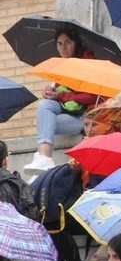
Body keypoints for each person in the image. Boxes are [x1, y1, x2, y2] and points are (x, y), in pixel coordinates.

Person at [26, 25, 99, 173]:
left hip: (84, 118)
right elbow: (59, 95)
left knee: (47, 123)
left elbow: (91, 96)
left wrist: (60, 95)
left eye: (68, 42)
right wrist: (49, 91)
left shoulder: (87, 61)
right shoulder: (60, 66)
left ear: (76, 43)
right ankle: (44, 157)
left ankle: (43, 159)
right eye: (59, 44)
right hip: (67, 114)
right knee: (45, 106)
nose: (63, 48)